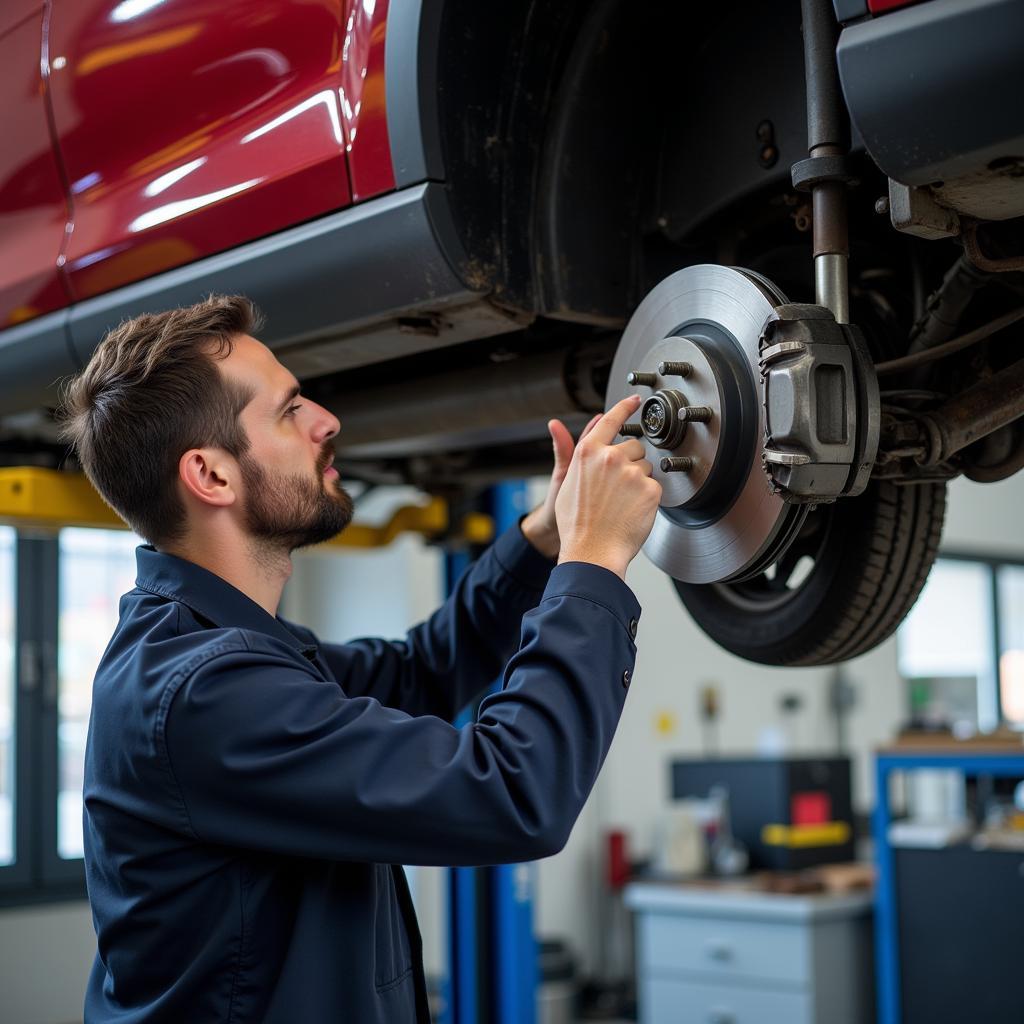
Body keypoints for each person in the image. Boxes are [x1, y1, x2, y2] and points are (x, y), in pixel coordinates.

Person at [59, 294, 661, 1023]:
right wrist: (593, 560)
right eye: (288, 411)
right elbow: (511, 794)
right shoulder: (205, 692)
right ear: (211, 476)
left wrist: (541, 539)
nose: (326, 421)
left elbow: (419, 674)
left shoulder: (224, 650)